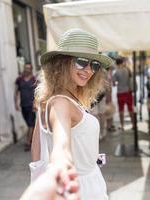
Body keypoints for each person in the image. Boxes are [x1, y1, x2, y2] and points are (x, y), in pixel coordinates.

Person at [30, 28, 111, 200]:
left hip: (86, 183)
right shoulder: (61, 103)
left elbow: (36, 152)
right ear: (62, 63)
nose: (88, 70)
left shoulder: (48, 99)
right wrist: (60, 165)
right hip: (83, 189)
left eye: (94, 65)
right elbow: (61, 146)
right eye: (81, 62)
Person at [14, 63, 36, 151]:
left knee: (30, 124)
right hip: (23, 106)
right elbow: (16, 92)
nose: (27, 69)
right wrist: (15, 103)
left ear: (31, 69)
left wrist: (35, 104)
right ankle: (33, 139)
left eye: (29, 68)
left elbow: (37, 93)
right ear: (24, 68)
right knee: (29, 124)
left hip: (31, 106)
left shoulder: (34, 79)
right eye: (26, 68)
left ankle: (28, 142)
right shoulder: (19, 79)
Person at [112, 56, 135, 130]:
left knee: (121, 110)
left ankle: (122, 125)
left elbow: (114, 84)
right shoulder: (127, 70)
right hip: (128, 92)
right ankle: (133, 124)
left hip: (120, 92)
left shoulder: (116, 72)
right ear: (122, 62)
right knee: (130, 108)